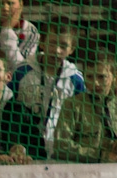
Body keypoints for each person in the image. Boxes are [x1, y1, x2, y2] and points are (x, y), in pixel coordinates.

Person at [9, 22, 84, 159]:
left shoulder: (75, 79)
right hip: (27, 147)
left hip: (60, 149)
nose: (56, 50)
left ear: (72, 49)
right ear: (42, 43)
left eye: (63, 46)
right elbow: (10, 108)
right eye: (52, 43)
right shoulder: (22, 71)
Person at [53, 56, 117, 163]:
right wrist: (100, 155)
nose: (95, 83)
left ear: (114, 77)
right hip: (83, 171)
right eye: (89, 77)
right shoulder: (73, 104)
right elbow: (61, 146)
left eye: (101, 77)